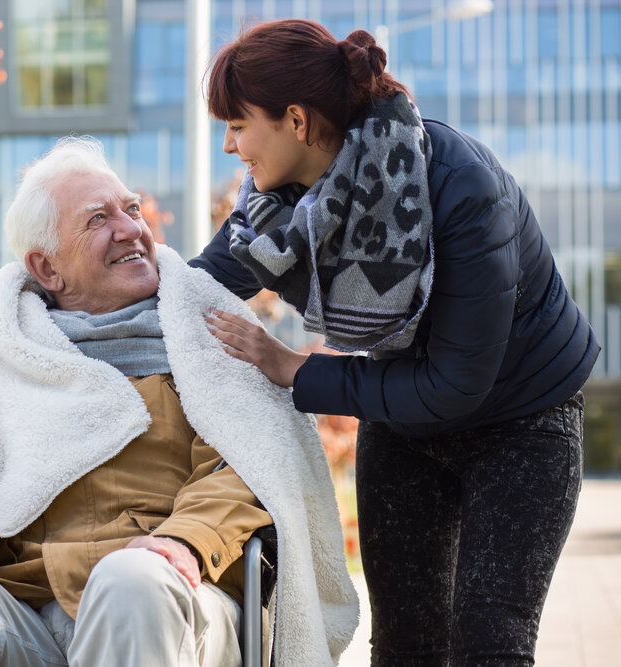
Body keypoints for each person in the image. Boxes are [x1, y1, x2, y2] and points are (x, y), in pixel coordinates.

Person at [192, 18, 601, 666]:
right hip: (403, 418)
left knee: (488, 635)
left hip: (522, 417)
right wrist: (71, 296)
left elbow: (456, 383)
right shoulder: (274, 208)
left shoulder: (461, 187)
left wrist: (299, 370)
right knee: (407, 638)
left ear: (296, 121)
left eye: (238, 124)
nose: (229, 146)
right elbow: (201, 286)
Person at [0, 136, 358, 667]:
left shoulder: (205, 338)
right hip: (19, 602)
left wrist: (187, 541)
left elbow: (253, 458)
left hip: (168, 586)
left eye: (132, 209)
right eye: (98, 219)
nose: (131, 229)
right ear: (47, 269)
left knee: (132, 582)